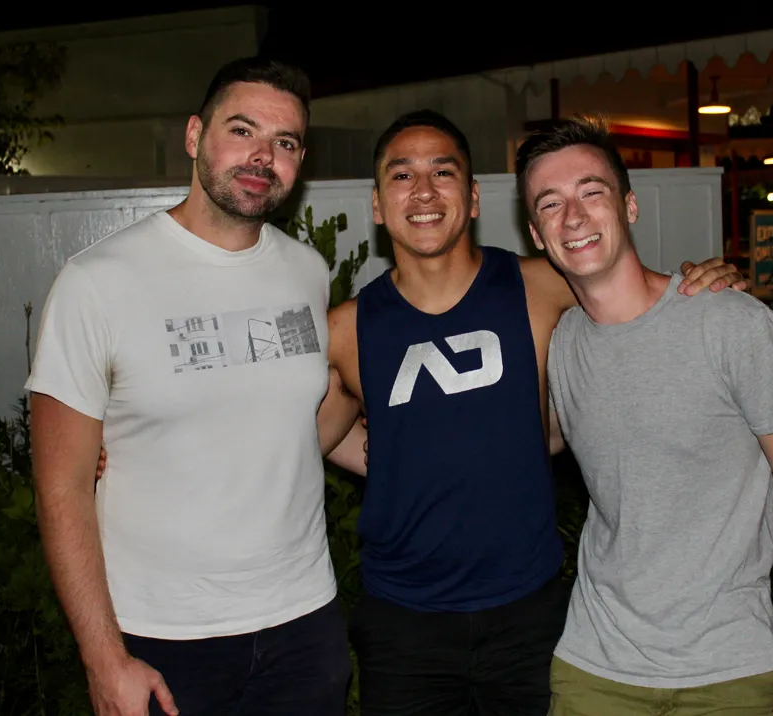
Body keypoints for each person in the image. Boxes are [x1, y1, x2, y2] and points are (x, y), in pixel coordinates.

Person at [314, 109, 747, 716]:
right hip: (404, 625)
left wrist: (705, 280)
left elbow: (643, 297)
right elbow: (303, 442)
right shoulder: (346, 330)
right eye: (402, 175)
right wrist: (390, 458)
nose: (423, 191)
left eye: (443, 172)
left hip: (529, 614)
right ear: (378, 205)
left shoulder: (543, 286)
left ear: (472, 198)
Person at [27, 57, 363, 716]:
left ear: (299, 161)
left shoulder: (307, 272)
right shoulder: (97, 281)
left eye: (285, 142)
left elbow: (296, 430)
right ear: (194, 136)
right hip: (161, 637)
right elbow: (60, 487)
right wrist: (103, 660)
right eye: (242, 130)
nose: (262, 155)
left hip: (304, 627)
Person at [515, 114, 773, 716]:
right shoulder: (558, 346)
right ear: (537, 234)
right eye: (551, 204)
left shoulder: (730, 323)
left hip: (729, 669)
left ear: (629, 206)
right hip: (594, 669)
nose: (574, 217)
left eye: (592, 192)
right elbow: (528, 441)